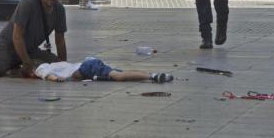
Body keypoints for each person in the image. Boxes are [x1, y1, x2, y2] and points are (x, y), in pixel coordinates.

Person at [34, 57, 173, 83]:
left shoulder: (40, 68)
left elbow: (49, 76)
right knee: (121, 74)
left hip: (88, 67)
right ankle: (155, 75)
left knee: (120, 77)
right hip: (89, 67)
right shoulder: (53, 64)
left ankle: (152, 76)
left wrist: (57, 79)